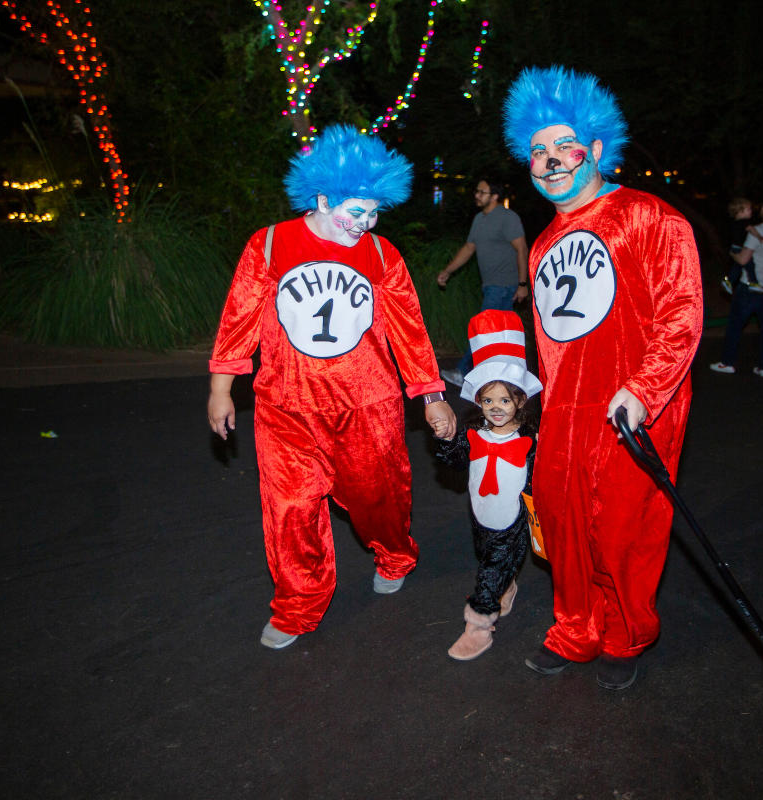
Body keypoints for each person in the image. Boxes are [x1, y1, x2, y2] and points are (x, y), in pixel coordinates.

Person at [206, 125, 457, 650]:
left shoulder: (381, 254)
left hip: (367, 405)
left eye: (373, 213)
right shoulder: (270, 243)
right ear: (321, 198)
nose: (364, 223)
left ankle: (395, 553)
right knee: (291, 509)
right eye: (355, 211)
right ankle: (297, 604)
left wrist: (431, 396)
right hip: (285, 407)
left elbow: (409, 329)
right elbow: (239, 319)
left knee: (377, 501)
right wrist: (222, 386)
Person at [502, 66, 703, 690]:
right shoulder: (539, 246)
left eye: (564, 145)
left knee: (621, 530)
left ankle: (623, 637)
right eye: (537, 151)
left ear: (594, 150)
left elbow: (682, 313)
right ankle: (576, 629)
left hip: (633, 406)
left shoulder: (648, 218)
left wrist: (643, 392)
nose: (550, 159)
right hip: (565, 411)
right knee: (562, 525)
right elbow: (551, 341)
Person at [434, 310, 543, 661]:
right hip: (481, 516)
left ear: (521, 401)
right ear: (478, 402)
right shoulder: (473, 434)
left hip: (512, 522)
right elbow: (452, 461)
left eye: (505, 400)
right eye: (488, 400)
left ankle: (479, 623)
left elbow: (544, 474)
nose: (496, 408)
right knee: (488, 557)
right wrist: (447, 440)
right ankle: (505, 586)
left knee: (491, 567)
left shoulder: (531, 440)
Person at [436, 179, 530, 386]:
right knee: (499, 334)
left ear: (494, 196)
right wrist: (448, 271)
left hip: (504, 285)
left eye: (482, 192)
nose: (476, 195)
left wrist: (522, 284)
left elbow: (522, 249)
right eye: (476, 191)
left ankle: (463, 372)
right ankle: (505, 377)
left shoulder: (507, 218)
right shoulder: (479, 219)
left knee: (484, 328)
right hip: (491, 285)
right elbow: (469, 248)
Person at [709, 197, 763, 377]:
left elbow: (743, 259)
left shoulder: (760, 230)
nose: (760, 208)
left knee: (734, 326)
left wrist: (731, 252)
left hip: (750, 287)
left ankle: (728, 362)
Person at [720, 197, 763, 294]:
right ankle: (753, 283)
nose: (751, 211)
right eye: (748, 209)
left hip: (735, 248)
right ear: (740, 212)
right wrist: (759, 237)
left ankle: (728, 281)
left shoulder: (733, 223)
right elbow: (751, 229)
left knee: (737, 267)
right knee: (750, 265)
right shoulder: (744, 222)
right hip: (739, 249)